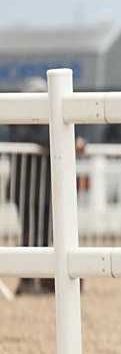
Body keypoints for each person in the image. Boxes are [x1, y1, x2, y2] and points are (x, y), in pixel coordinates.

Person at [8, 78, 54, 295]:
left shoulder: (45, 119)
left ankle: (37, 280)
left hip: (42, 187)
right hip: (27, 188)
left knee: (43, 234)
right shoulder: (19, 118)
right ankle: (27, 280)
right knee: (30, 233)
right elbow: (39, 138)